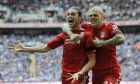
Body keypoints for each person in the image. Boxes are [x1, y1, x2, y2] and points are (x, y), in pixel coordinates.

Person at [9, 6, 96, 84]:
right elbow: (46, 47)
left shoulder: (86, 35)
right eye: (68, 14)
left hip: (79, 75)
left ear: (80, 17)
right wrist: (25, 48)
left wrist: (80, 73)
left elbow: (92, 60)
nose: (69, 16)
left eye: (73, 14)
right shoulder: (64, 35)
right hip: (65, 75)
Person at [62, 6, 125, 84]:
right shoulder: (87, 27)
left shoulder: (109, 26)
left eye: (95, 15)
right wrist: (71, 34)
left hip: (111, 71)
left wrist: (102, 43)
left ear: (103, 16)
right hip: (96, 73)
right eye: (90, 16)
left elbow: (121, 38)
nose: (92, 17)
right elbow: (65, 25)